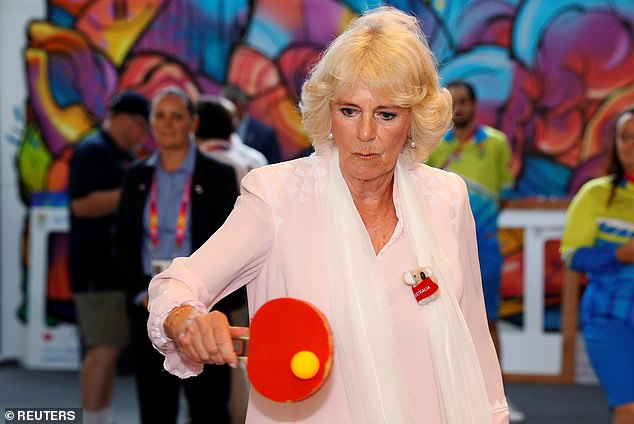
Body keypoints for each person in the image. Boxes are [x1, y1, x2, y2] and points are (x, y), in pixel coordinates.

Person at [148, 7, 509, 423]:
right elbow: (175, 286)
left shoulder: (446, 197)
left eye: (386, 114)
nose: (366, 133)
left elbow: (473, 338)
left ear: (414, 120)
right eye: (349, 111)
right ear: (328, 111)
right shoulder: (276, 196)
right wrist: (186, 320)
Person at [113, 87, 242, 424]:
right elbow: (125, 242)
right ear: (151, 124)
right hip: (148, 306)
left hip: (204, 309)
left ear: (193, 122)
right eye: (160, 116)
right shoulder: (137, 176)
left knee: (209, 408)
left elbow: (228, 246)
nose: (167, 124)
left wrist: (206, 300)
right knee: (155, 406)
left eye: (176, 116)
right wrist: (142, 294)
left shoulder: (219, 175)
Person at [427, 80, 523, 421]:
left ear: (474, 104)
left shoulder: (496, 144)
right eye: (453, 103)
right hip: (441, 247)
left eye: (464, 102)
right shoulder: (435, 145)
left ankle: (498, 399)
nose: (459, 109)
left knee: (489, 321)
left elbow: (505, 192)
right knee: (443, 321)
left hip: (486, 248)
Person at [68, 90, 150, 424]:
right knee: (104, 346)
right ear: (129, 121)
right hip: (94, 269)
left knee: (110, 345)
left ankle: (100, 414)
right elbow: (81, 204)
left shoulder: (114, 154)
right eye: (144, 127)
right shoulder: (92, 151)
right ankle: (92, 416)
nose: (145, 136)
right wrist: (134, 195)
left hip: (112, 269)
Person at [561, 107, 634, 424]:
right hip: (609, 318)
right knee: (628, 407)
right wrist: (620, 255)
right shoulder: (596, 193)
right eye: (624, 136)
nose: (630, 144)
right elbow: (572, 256)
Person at [196, 94, 268, 186]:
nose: (236, 121)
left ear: (195, 124)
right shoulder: (255, 160)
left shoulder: (190, 164)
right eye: (234, 117)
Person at [221, 85, 282, 163]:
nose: (230, 114)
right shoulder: (213, 132)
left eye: (234, 110)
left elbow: (273, 167)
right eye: (226, 111)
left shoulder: (265, 134)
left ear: (242, 106)